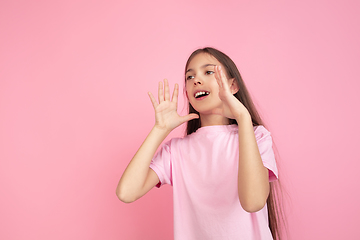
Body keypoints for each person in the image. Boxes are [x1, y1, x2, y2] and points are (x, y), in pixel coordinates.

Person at [116, 47, 282, 240]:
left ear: (233, 85)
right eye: (189, 77)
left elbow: (253, 202)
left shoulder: (257, 137)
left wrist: (243, 117)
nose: (196, 80)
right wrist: (160, 130)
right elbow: (126, 192)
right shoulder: (176, 151)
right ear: (187, 94)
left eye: (208, 72)